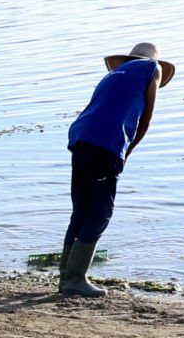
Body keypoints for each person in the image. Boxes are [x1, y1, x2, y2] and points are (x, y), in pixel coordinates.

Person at [60, 40, 174, 299]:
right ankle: (75, 279)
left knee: (81, 210)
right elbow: (146, 118)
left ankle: (65, 276)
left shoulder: (113, 75)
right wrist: (128, 151)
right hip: (105, 142)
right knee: (101, 212)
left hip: (80, 137)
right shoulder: (151, 68)